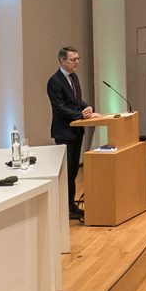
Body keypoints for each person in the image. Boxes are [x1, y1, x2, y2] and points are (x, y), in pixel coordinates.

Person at [48, 46, 94, 218]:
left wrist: (87, 108)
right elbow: (59, 108)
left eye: (78, 59)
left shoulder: (73, 78)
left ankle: (71, 204)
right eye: (73, 59)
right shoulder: (55, 81)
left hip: (76, 131)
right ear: (62, 61)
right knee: (65, 173)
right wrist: (80, 114)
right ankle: (63, 208)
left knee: (74, 171)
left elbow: (76, 101)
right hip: (64, 132)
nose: (77, 62)